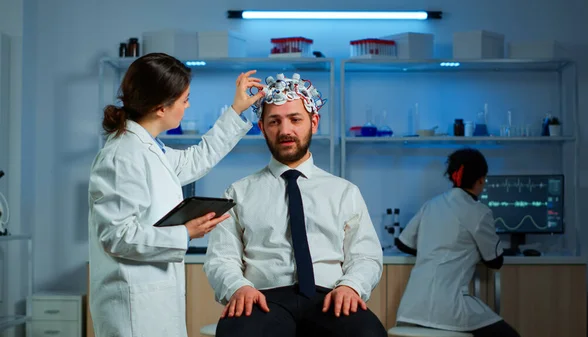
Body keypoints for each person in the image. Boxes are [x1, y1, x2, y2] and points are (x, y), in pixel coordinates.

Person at [87, 52, 265, 337]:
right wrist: (185, 233)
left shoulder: (149, 148)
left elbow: (197, 159)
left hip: (153, 302)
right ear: (161, 107)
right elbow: (116, 235)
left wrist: (236, 110)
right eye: (184, 100)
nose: (188, 105)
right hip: (133, 309)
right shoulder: (122, 156)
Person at [203, 73, 387, 337]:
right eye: (274, 121)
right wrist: (237, 288)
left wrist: (351, 287)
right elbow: (221, 259)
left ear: (314, 122)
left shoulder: (345, 192)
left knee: (367, 334)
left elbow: (366, 255)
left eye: (295, 119)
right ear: (262, 127)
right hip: (262, 300)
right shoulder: (237, 192)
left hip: (331, 298)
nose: (285, 130)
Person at [394, 148, 520, 337]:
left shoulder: (431, 204)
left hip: (412, 306)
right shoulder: (479, 212)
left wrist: (433, 247)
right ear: (481, 179)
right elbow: (495, 261)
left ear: (453, 176)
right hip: (450, 308)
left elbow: (403, 244)